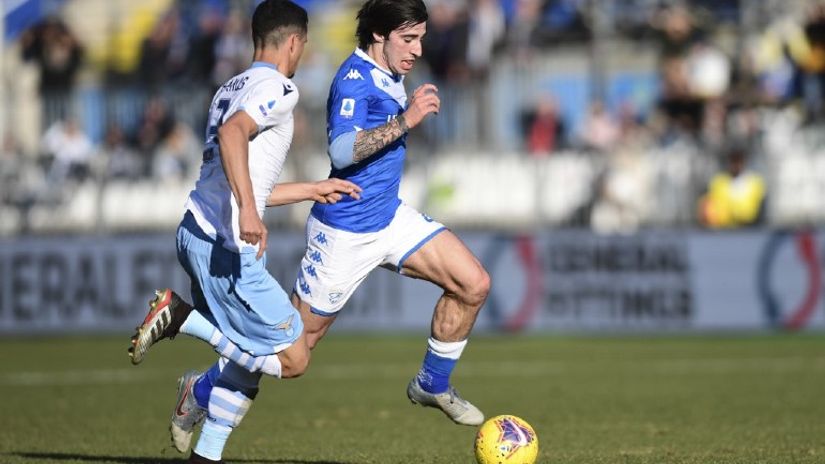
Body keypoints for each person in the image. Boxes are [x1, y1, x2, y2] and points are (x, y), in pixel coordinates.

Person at [127, 2, 360, 463]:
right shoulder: (280, 87)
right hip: (226, 242)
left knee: (245, 362)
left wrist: (311, 188)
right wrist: (251, 213)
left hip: (198, 230)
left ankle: (205, 455)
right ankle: (181, 324)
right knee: (293, 358)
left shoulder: (230, 87)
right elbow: (235, 137)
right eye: (304, 45)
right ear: (294, 42)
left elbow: (237, 173)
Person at [290, 0, 490, 426]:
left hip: (389, 217)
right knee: (293, 354)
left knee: (473, 283)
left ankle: (432, 383)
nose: (418, 50)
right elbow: (341, 152)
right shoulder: (353, 80)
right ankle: (203, 386)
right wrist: (407, 119)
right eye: (408, 38)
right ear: (379, 34)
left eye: (421, 38)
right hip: (344, 229)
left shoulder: (391, 71)